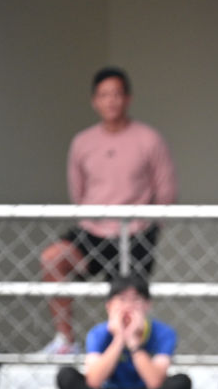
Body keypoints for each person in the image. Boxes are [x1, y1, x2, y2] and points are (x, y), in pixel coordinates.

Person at [38, 67, 177, 354]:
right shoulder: (83, 142)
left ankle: (127, 351)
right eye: (104, 95)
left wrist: (148, 226)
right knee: (52, 259)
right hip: (93, 231)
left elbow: (166, 191)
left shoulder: (148, 139)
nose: (111, 101)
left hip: (135, 232)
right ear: (94, 101)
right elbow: (77, 191)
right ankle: (65, 342)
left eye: (116, 94)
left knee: (127, 297)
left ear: (128, 98)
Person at [55, 275, 191, 389]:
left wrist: (134, 343)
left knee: (182, 382)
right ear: (109, 306)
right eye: (122, 300)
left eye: (136, 300)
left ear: (147, 305)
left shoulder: (164, 333)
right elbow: (94, 381)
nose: (128, 307)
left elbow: (155, 383)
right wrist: (119, 338)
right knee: (66, 376)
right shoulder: (98, 333)